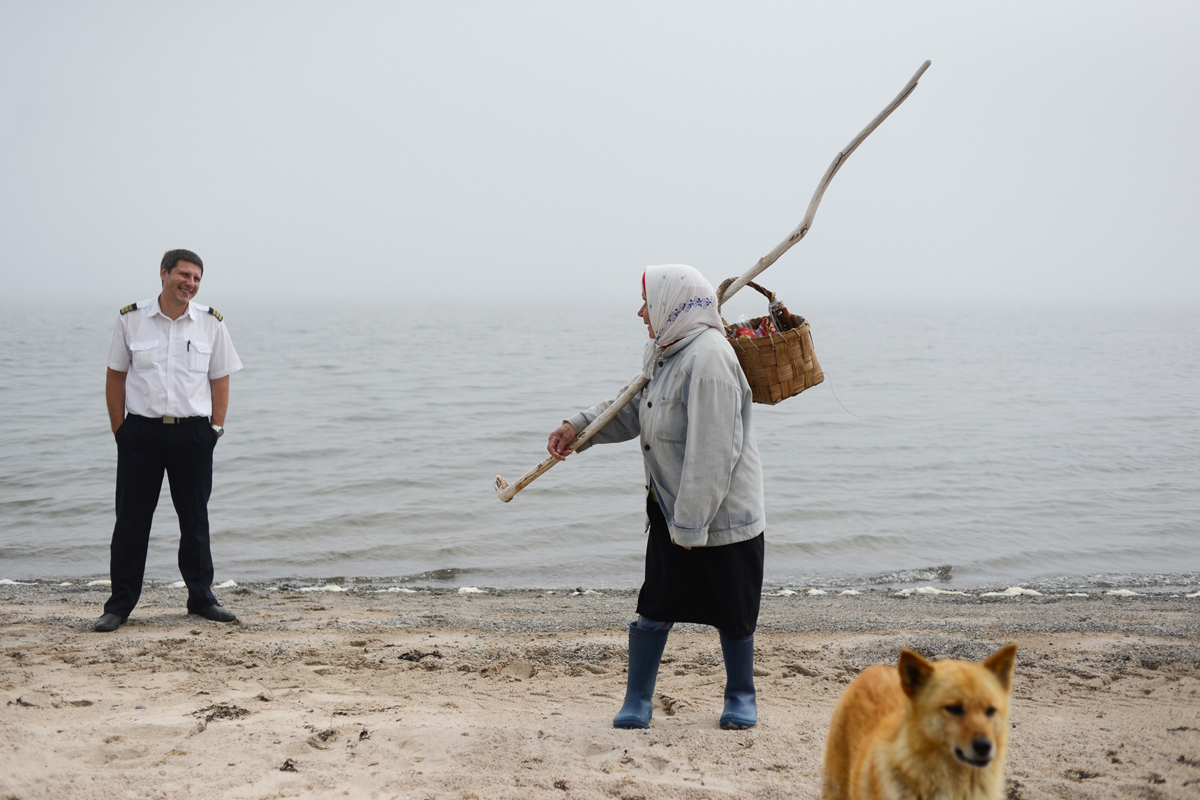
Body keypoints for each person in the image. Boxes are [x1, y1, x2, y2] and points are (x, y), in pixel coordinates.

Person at [547, 264, 766, 729]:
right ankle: (638, 699)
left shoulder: (710, 360)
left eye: (647, 301)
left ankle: (741, 696)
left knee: (734, 611)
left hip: (722, 517)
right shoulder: (665, 350)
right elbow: (634, 409)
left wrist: (691, 526)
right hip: (672, 508)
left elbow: (713, 453)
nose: (641, 311)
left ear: (672, 304)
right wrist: (578, 427)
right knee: (655, 605)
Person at [94, 249, 243, 633]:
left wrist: (216, 429)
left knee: (194, 521)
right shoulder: (132, 319)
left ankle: (201, 598)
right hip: (140, 433)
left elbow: (221, 378)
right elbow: (115, 375)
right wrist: (120, 429)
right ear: (163, 273)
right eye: (184, 275)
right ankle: (119, 605)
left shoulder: (211, 323)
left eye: (196, 278)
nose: (190, 283)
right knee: (130, 522)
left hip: (193, 433)